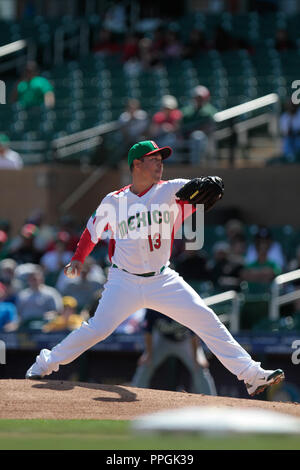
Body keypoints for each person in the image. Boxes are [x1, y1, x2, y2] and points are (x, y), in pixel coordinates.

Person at [25, 139, 284, 397]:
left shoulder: (171, 190)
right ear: (136, 164)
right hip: (123, 280)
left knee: (205, 319)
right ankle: (43, 364)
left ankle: (251, 374)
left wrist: (211, 186)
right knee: (96, 329)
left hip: (162, 280)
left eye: (161, 159)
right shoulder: (114, 201)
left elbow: (202, 190)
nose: (160, 163)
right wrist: (79, 258)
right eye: (154, 159)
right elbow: (92, 231)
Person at [131, 308, 217, 395]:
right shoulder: (154, 305)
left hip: (185, 341)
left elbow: (194, 334)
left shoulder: (185, 304)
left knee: (199, 366)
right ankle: (134, 393)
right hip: (162, 340)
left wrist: (197, 356)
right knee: (146, 363)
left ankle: (211, 401)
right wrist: (148, 354)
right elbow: (148, 332)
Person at [180, 85, 217, 165]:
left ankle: (196, 165)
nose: (199, 100)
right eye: (197, 97)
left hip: (207, 138)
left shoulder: (210, 110)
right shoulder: (188, 111)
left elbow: (209, 127)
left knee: (197, 136)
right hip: (187, 136)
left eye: (201, 98)